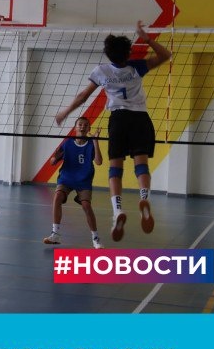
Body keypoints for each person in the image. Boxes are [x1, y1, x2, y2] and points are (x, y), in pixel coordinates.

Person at [55, 21, 171, 242]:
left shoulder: (101, 71)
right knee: (141, 163)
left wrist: (65, 112)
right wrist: (146, 38)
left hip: (118, 119)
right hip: (140, 119)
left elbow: (83, 96)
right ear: (128, 53)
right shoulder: (137, 67)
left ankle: (118, 211)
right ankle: (144, 198)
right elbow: (166, 55)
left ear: (108, 54)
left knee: (115, 168)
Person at [43, 117, 104, 249]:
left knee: (86, 206)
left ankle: (96, 238)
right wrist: (54, 159)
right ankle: (55, 234)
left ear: (89, 129)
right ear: (75, 127)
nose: (82, 127)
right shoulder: (68, 143)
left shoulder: (91, 144)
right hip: (67, 177)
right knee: (57, 196)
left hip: (84, 179)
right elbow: (53, 161)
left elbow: (99, 162)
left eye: (86, 125)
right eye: (80, 124)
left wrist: (95, 141)